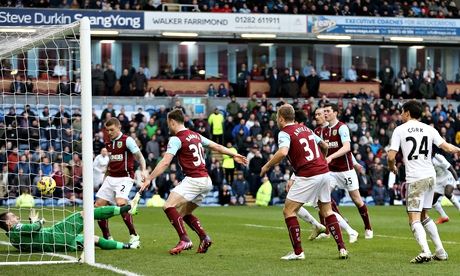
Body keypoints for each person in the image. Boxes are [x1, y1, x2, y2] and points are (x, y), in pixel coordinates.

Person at [139, 109, 248, 255]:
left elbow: (165, 162)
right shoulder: (195, 135)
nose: (168, 126)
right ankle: (204, 237)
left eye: (168, 123)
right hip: (206, 181)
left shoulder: (176, 139)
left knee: (168, 206)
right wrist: (234, 154)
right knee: (183, 213)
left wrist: (149, 179)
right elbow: (217, 146)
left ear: (172, 122)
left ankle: (184, 239)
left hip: (194, 179)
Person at [260, 104, 348, 260]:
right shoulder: (306, 129)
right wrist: (322, 159)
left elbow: (283, 152)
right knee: (327, 211)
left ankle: (298, 252)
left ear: (281, 118)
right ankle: (342, 248)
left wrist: (267, 166)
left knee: (289, 211)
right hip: (324, 172)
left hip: (308, 174)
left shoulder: (284, 132)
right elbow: (324, 145)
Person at [387, 100, 460, 263]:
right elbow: (447, 147)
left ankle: (425, 251)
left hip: (416, 177)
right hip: (430, 176)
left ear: (407, 113)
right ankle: (440, 251)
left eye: (402, 112)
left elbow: (391, 156)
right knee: (424, 215)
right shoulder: (429, 129)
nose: (400, 115)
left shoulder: (400, 130)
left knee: (413, 218)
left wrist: (391, 167)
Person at [322, 103, 373, 238]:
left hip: (346, 170)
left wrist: (353, 163)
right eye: (324, 111)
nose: (325, 114)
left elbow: (347, 148)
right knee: (322, 198)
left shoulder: (342, 128)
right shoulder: (324, 130)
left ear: (335, 113)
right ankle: (340, 221)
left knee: (356, 199)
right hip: (331, 171)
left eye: (327, 111)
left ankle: (368, 227)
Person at [95, 118, 148, 246]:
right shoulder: (107, 142)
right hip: (110, 177)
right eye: (107, 130)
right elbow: (111, 160)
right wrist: (105, 177)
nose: (109, 132)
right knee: (98, 206)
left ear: (119, 127)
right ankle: (107, 237)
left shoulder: (127, 140)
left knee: (120, 202)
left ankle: (134, 235)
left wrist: (143, 171)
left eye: (112, 130)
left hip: (125, 177)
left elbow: (140, 157)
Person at [0, 206, 140, 252]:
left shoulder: (12, 239)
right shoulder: (16, 228)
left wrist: (33, 225)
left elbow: (31, 235)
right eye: (13, 217)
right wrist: (39, 221)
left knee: (93, 239)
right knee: (83, 214)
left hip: (60, 246)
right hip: (55, 234)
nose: (17, 217)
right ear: (8, 223)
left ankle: (128, 246)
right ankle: (123, 209)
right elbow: (35, 227)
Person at [431, 150, 460, 224]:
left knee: (448, 193)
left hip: (448, 177)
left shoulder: (439, 158)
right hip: (438, 181)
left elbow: (451, 169)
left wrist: (457, 182)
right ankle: (444, 217)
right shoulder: (425, 161)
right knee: (432, 201)